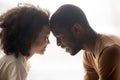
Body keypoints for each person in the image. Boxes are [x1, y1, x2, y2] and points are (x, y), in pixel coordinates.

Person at [50, 4, 120, 80]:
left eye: (60, 37)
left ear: (76, 29)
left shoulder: (110, 51)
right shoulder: (88, 54)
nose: (58, 43)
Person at [0, 4, 50, 80]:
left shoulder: (12, 59)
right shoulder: (17, 62)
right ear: (29, 36)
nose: (48, 42)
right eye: (46, 37)